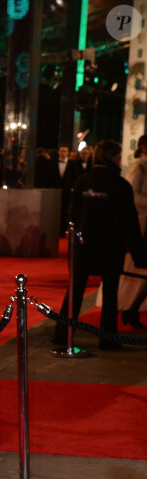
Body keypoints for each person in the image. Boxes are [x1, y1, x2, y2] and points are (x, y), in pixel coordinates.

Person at [52, 139, 147, 350]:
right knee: (110, 293)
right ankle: (108, 338)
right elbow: (129, 222)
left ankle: (63, 334)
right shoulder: (121, 185)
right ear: (113, 157)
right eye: (120, 156)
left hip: (83, 246)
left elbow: (72, 215)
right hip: (111, 248)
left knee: (75, 290)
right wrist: (140, 255)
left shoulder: (83, 181)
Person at [117, 134, 147, 328]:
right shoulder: (139, 166)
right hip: (141, 224)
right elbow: (132, 195)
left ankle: (132, 309)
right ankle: (131, 308)